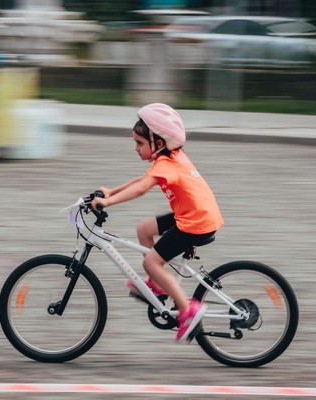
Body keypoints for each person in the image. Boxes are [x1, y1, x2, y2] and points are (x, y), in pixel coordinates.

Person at [91, 103, 224, 342]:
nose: (135, 148)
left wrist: (108, 202)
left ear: (159, 143)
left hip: (196, 221)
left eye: (140, 143)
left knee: (151, 262)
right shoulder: (171, 157)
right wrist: (111, 191)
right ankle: (156, 285)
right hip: (195, 213)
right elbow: (143, 179)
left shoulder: (167, 164)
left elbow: (141, 188)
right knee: (144, 229)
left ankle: (188, 309)